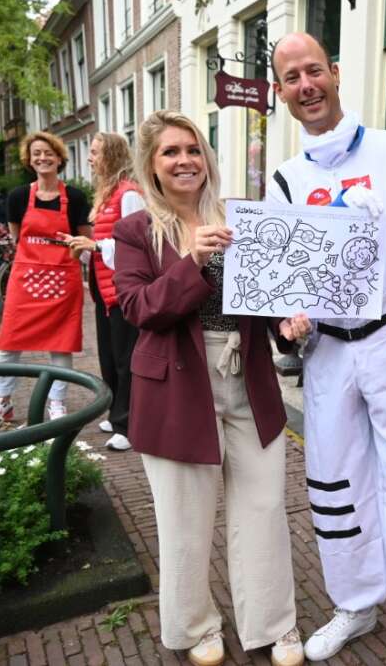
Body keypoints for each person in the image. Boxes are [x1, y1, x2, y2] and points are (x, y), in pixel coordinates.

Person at [264, 31, 386, 661]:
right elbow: (282, 279)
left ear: (336, 72)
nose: (306, 86)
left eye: (314, 70)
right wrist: (285, 318)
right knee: (335, 481)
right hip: (328, 353)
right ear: (280, 91)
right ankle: (356, 603)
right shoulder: (285, 181)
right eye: (292, 77)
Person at [112, 111, 305, 666]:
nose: (185, 160)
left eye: (193, 149)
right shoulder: (137, 230)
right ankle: (194, 625)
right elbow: (138, 309)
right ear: (152, 164)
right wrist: (192, 260)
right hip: (175, 388)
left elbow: (265, 293)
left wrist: (285, 323)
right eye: (171, 152)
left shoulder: (239, 216)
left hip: (248, 378)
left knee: (264, 506)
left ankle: (273, 623)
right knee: (184, 520)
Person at [0, 132, 91, 429]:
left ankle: (57, 402)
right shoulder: (18, 197)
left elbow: (85, 241)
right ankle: (3, 401)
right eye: (37, 154)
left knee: (61, 344)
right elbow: (17, 238)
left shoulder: (76, 198)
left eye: (48, 153)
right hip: (26, 280)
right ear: (29, 160)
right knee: (8, 341)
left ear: (59, 158)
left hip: (62, 282)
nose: (43, 158)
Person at [60, 132, 144, 452]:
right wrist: (81, 247)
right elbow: (102, 245)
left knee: (126, 357)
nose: (89, 158)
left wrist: (95, 246)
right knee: (109, 355)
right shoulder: (106, 194)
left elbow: (138, 244)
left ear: (111, 155)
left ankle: (129, 424)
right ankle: (116, 412)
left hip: (123, 288)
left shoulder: (129, 194)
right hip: (103, 286)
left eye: (95, 152)